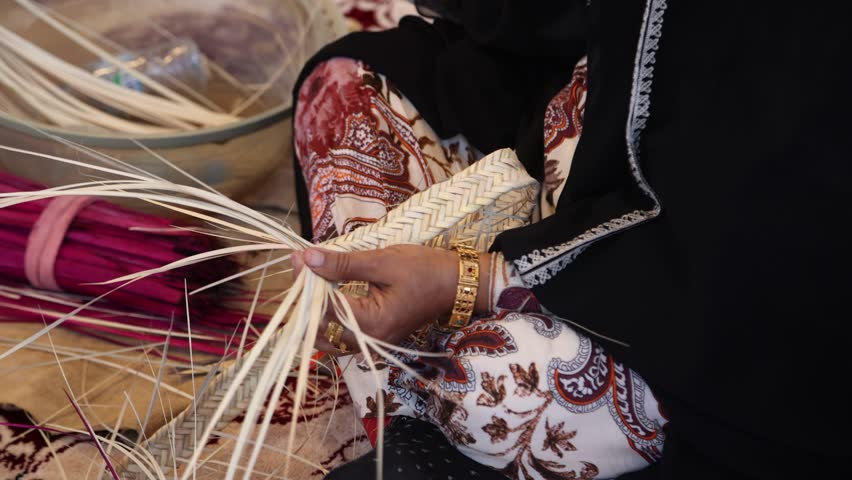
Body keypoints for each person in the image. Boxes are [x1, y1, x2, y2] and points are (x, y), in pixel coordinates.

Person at [290, 1, 847, 478]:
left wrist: (475, 281)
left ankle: (417, 430)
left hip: (726, 264)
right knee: (344, 88)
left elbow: (770, 227)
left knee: (497, 387)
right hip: (590, 100)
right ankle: (413, 399)